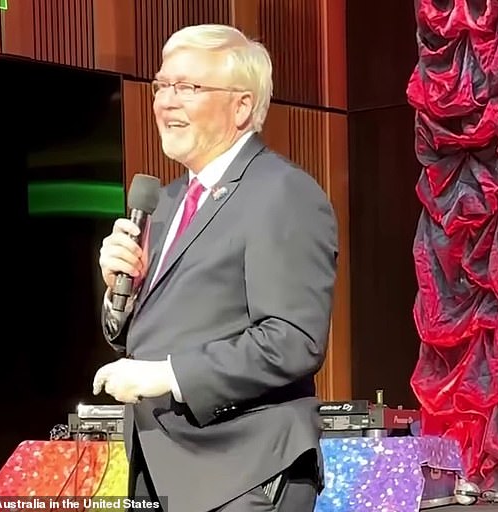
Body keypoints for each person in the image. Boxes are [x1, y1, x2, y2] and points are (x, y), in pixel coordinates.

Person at [93, 23, 338, 512]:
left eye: (188, 87)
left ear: (242, 106)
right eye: (162, 86)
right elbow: (143, 337)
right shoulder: (164, 204)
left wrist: (169, 374)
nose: (165, 102)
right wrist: (118, 295)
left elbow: (294, 339)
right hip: (162, 469)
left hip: (243, 474)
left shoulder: (282, 193)